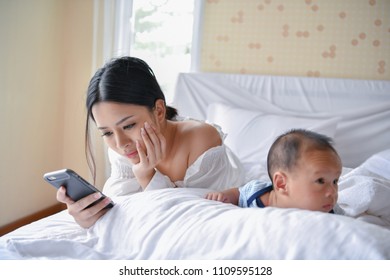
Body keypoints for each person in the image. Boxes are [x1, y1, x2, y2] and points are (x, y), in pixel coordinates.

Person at [57, 56, 245, 228]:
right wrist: (89, 216)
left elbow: (189, 220)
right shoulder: (121, 148)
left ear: (159, 111)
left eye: (129, 125)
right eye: (106, 133)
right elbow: (119, 208)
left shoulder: (201, 140)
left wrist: (146, 176)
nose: (120, 143)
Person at [206, 129, 342, 213]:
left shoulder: (330, 211)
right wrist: (224, 196)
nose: (332, 192)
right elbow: (239, 193)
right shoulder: (256, 194)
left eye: (335, 181)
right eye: (320, 181)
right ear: (282, 184)